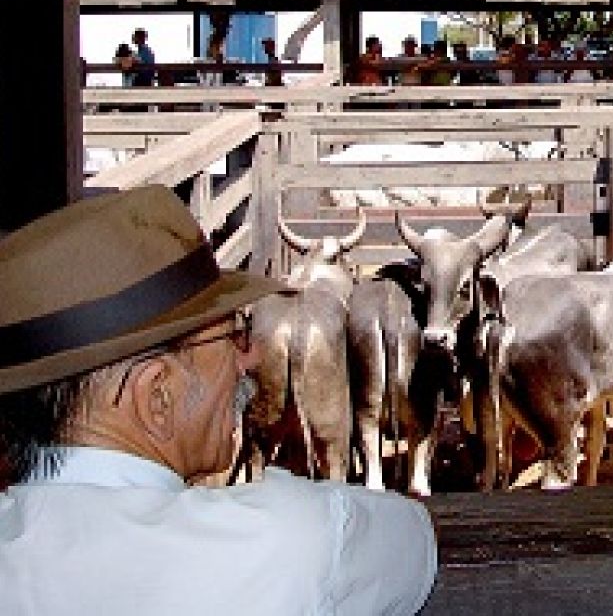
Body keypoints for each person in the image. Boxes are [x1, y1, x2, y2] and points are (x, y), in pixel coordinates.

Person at [0, 185, 438, 615]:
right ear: (158, 396)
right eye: (234, 337)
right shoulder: (296, 541)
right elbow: (411, 537)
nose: (252, 357)